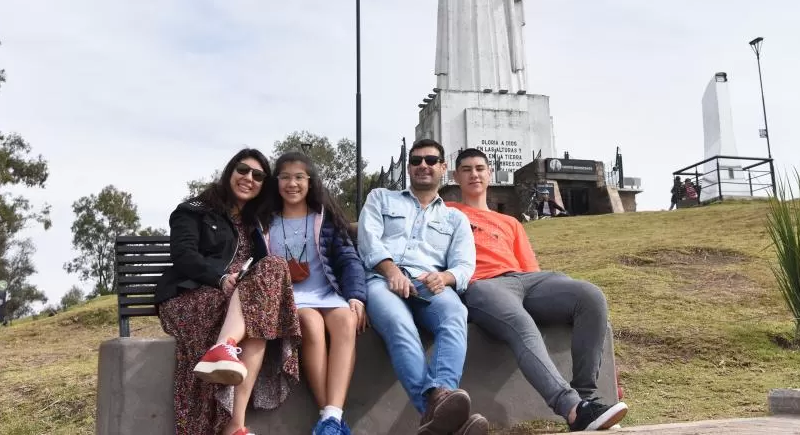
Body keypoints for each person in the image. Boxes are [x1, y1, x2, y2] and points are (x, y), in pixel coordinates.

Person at [448, 148, 629, 432]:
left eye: (480, 168)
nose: (474, 174)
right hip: (481, 284)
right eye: (467, 169)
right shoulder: (448, 212)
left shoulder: (510, 223)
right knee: (521, 323)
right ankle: (571, 409)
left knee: (590, 297)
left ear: (489, 174)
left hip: (524, 281)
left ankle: (587, 399)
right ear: (456, 176)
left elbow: (529, 270)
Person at [155, 148, 302, 435]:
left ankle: (235, 426)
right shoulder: (194, 210)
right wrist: (221, 278)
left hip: (239, 299)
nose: (249, 178)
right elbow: (183, 256)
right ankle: (223, 352)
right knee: (257, 315)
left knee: (270, 281)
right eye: (243, 170)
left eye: (258, 176)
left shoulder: (256, 223)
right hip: (192, 294)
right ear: (230, 172)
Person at [357, 138, 488, 435]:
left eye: (430, 160)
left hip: (431, 284)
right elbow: (368, 240)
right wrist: (390, 270)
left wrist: (445, 277)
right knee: (398, 323)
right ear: (409, 167)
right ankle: (439, 408)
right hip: (382, 280)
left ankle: (439, 405)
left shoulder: (456, 218)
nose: (423, 166)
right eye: (416, 161)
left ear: (443, 168)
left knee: (455, 314)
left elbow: (465, 266)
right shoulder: (381, 198)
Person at [257, 151, 367, 435]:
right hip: (290, 297)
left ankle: (331, 417)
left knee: (346, 321)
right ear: (276, 182)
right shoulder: (264, 221)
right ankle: (330, 417)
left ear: (310, 182)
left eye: (299, 177)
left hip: (327, 293)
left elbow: (348, 259)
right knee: (311, 326)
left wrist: (355, 296)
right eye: (285, 177)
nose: (292, 184)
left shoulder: (324, 218)